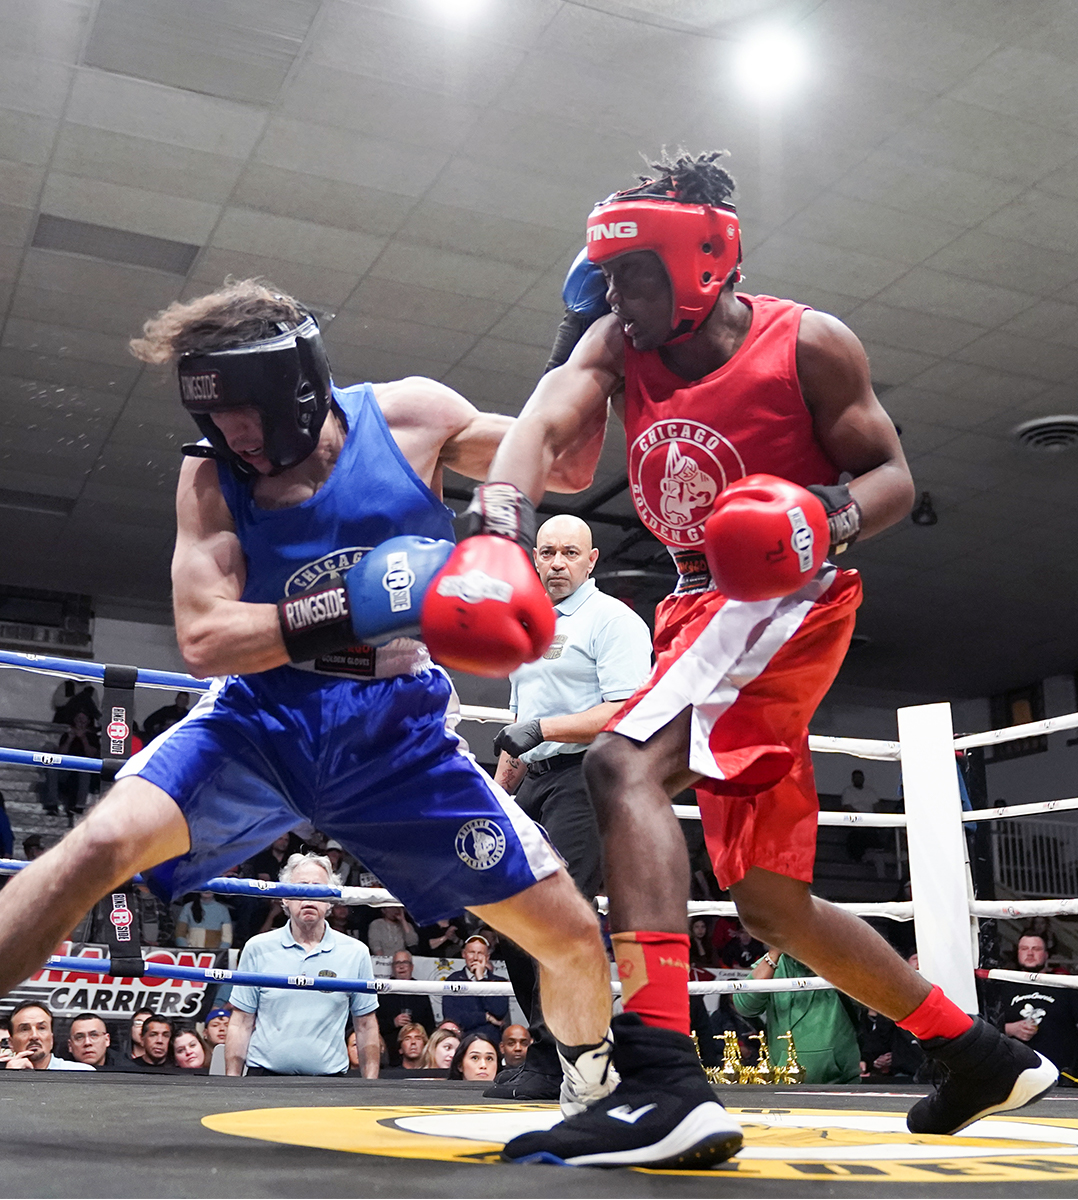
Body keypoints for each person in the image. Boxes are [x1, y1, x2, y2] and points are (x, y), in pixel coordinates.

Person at [457, 148, 1057, 1165]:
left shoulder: (807, 343)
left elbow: (892, 477)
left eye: (635, 274)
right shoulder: (614, 336)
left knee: (620, 762)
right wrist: (499, 526)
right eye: (606, 278)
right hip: (698, 604)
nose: (618, 296)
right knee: (766, 900)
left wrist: (823, 517)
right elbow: (551, 431)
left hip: (790, 593)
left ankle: (661, 1081)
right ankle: (979, 1054)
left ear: (703, 262)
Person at [0, 278, 617, 1121]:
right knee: (88, 851)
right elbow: (205, 636)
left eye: (242, 413)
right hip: (261, 721)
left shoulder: (411, 418)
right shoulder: (211, 479)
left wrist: (585, 333)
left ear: (297, 384)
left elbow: (571, 463)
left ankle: (593, 1086)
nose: (230, 437)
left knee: (572, 936)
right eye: (212, 419)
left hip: (397, 738)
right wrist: (361, 601)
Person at [487, 513, 652, 1102]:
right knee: (511, 911)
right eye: (547, 552)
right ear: (535, 558)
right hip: (533, 779)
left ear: (592, 559)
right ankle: (547, 1053)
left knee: (558, 916)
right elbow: (518, 724)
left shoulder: (614, 621)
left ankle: (568, 1060)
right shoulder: (527, 625)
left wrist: (543, 728)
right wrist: (499, 794)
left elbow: (625, 710)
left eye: (568, 553)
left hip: (587, 780)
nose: (556, 563)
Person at [226, 854, 380, 1077]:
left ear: (330, 900)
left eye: (317, 889)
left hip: (329, 1083)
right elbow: (240, 1022)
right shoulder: (258, 947)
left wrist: (371, 1087)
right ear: (285, 898)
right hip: (263, 1080)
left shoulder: (355, 952)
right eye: (301, 888)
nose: (308, 897)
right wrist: (231, 1085)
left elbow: (366, 1024)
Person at [732, 948, 861, 1084]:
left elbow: (870, 999)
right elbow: (745, 1006)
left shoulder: (842, 959)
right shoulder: (776, 962)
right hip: (783, 1080)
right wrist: (774, 952)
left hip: (840, 1079)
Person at [985, 933, 1078, 1082]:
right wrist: (1010, 1029)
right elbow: (981, 1026)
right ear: (1018, 953)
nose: (1030, 953)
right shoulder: (1001, 987)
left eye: (1036, 949)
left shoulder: (1065, 986)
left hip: (1060, 1075)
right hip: (1013, 1074)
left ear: (1046, 955)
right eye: (1024, 948)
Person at [441, 935, 509, 1041]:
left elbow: (499, 1011)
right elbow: (452, 1017)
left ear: (487, 957)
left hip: (491, 1042)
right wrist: (486, 1017)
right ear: (464, 954)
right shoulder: (453, 979)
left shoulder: (499, 981)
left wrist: (481, 979)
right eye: (471, 952)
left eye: (480, 953)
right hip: (462, 1042)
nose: (475, 958)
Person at [376, 950, 435, 1066]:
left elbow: (430, 1026)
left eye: (405, 962)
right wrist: (393, 1023)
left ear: (412, 967)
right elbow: (372, 1026)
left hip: (419, 1056)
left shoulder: (420, 990)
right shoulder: (383, 991)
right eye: (398, 963)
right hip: (389, 1054)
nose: (401, 966)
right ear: (392, 968)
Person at [4, 1002, 94, 1070]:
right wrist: (10, 1078)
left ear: (51, 1039)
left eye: (41, 1028)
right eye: (25, 1029)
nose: (34, 1036)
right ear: (11, 1043)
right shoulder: (4, 1078)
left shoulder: (82, 1072)